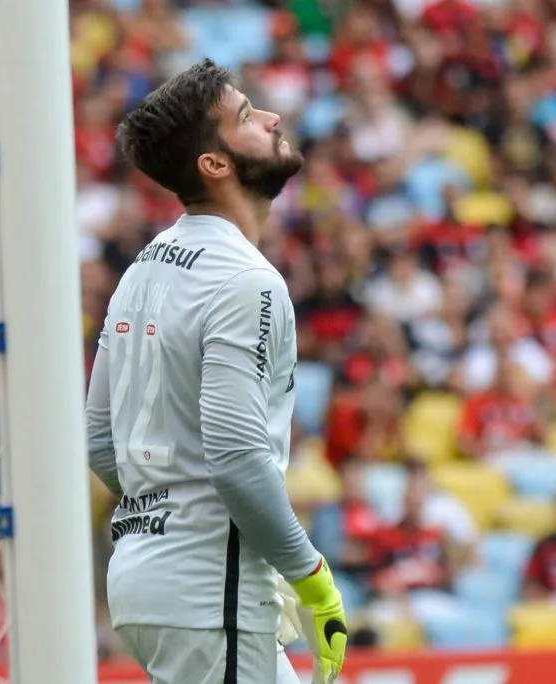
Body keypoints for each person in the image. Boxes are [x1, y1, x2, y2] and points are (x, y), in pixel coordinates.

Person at [84, 59, 348, 684]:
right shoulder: (247, 281)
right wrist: (308, 574)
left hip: (149, 579)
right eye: (247, 117)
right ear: (215, 163)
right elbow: (235, 453)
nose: (272, 117)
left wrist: (167, 511)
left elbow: (101, 444)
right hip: (210, 590)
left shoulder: (141, 271)